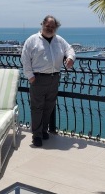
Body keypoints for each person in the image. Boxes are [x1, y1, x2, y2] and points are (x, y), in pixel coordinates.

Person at [21, 15, 76, 147]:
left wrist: (70, 58)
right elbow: (25, 59)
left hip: (54, 78)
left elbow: (70, 49)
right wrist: (30, 76)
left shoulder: (59, 40)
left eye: (53, 27)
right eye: (48, 26)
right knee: (37, 108)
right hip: (38, 79)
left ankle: (44, 130)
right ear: (42, 25)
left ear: (55, 28)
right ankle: (37, 135)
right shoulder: (32, 40)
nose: (50, 28)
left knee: (48, 108)